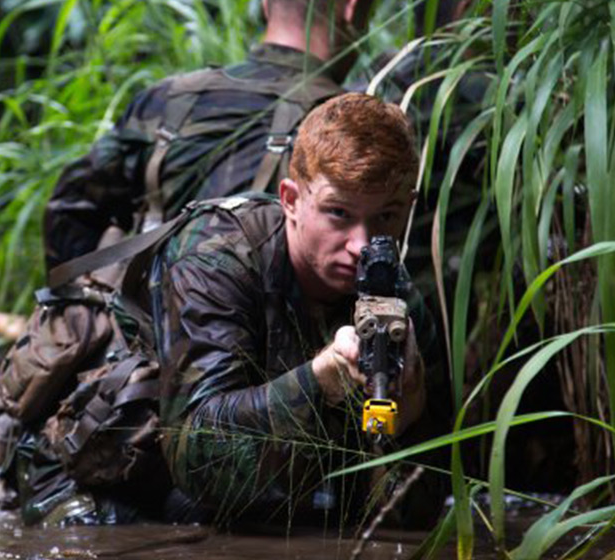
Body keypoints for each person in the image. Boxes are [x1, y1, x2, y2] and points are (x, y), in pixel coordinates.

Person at [149, 92, 448, 526]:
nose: (362, 245)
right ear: (290, 199)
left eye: (386, 217)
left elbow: (420, 510)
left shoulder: (398, 302)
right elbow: (194, 464)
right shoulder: (218, 256)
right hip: (120, 464)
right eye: (338, 213)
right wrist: (320, 380)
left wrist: (410, 415)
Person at [43, 0, 374, 270]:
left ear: (265, 5)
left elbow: (70, 208)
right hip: (275, 347)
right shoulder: (348, 125)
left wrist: (93, 313)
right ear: (351, 9)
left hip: (140, 343)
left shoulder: (169, 99)